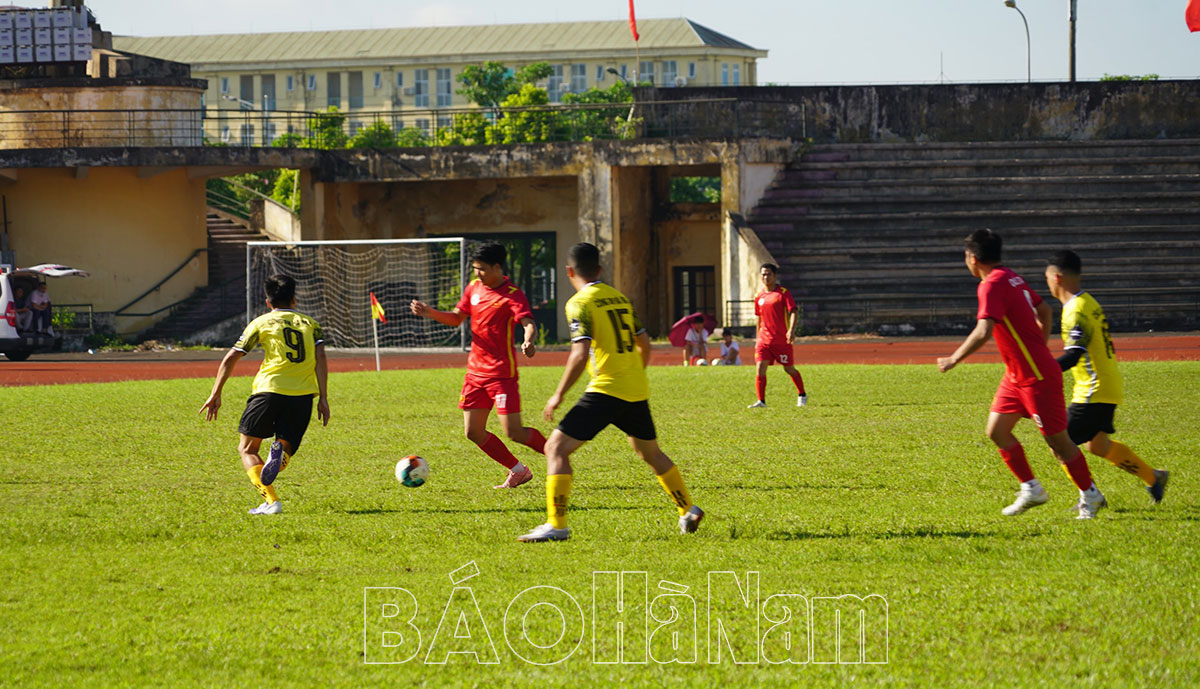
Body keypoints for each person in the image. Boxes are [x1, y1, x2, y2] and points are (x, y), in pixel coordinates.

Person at [519, 242, 704, 542]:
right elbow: (645, 345)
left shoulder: (580, 303)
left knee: (555, 449)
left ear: (569, 271)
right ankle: (687, 509)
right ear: (600, 269)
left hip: (606, 389)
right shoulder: (621, 299)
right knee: (649, 452)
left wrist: (558, 395)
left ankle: (557, 524)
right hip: (634, 388)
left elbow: (580, 355)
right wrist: (633, 372)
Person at [938, 229, 1107, 519]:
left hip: (1037, 377)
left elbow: (983, 331)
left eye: (966, 256)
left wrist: (954, 358)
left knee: (1059, 442)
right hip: (1016, 375)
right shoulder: (1010, 276)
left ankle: (1091, 495)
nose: (966, 261)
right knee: (997, 431)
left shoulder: (991, 285)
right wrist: (1037, 346)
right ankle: (1031, 489)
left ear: (974, 258)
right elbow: (1044, 310)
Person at [410, 242, 545, 489]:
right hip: (475, 373)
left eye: (481, 268)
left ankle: (556, 454)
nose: (476, 273)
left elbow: (527, 322)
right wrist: (430, 312)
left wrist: (528, 340)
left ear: (496, 267)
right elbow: (456, 319)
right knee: (473, 431)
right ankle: (518, 471)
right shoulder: (473, 288)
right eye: (474, 268)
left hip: (501, 375)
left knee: (513, 432)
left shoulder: (512, 294)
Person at [1045, 250, 1169, 503]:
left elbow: (1075, 354)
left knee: (1059, 444)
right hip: (1107, 385)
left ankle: (1090, 496)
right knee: (1098, 446)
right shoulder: (1088, 301)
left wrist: (1042, 373)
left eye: (1046, 278)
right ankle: (1154, 477)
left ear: (1056, 278)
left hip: (1093, 389)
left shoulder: (1075, 310)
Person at [200, 274, 330, 515]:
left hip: (268, 391)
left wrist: (215, 393)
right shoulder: (311, 324)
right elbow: (320, 357)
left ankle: (272, 502)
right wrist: (323, 397)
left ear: (269, 302)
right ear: (294, 298)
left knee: (248, 450)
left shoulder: (261, 323)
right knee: (285, 447)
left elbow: (232, 356)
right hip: (302, 396)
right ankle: (278, 456)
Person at [748, 263, 807, 408]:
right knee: (760, 368)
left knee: (789, 369)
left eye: (768, 274)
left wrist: (791, 330)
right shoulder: (759, 296)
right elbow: (759, 318)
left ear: (775, 276)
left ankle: (802, 394)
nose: (765, 277)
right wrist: (757, 339)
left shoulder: (783, 293)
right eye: (763, 274)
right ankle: (761, 401)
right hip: (763, 340)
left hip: (781, 340)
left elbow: (793, 311)